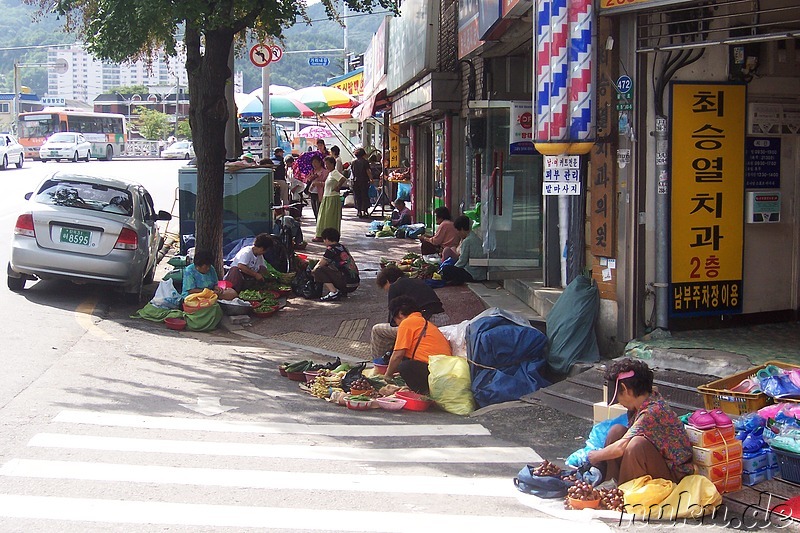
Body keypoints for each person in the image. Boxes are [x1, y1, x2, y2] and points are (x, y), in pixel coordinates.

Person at [587, 359, 694, 485]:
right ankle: (611, 484)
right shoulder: (639, 406)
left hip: (675, 475)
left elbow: (620, 448)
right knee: (617, 431)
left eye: (618, 397)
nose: (620, 402)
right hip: (657, 462)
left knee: (637, 445)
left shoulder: (653, 411)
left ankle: (623, 494)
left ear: (625, 389)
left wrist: (594, 456)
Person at [370, 265, 449, 361]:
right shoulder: (417, 282)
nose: (386, 291)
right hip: (443, 319)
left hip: (427, 324)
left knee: (378, 330)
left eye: (385, 288)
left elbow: (393, 321)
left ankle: (378, 364)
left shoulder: (394, 287)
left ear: (387, 281)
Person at [380, 296, 452, 394]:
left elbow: (397, 355)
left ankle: (424, 393)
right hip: (444, 370)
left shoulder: (407, 323)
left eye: (395, 320)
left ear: (400, 313)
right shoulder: (423, 322)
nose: (397, 324)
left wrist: (387, 376)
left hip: (435, 372)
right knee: (406, 364)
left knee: (405, 367)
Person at [312, 227, 360, 301]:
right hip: (355, 283)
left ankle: (333, 292)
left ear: (327, 239)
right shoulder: (342, 247)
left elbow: (319, 265)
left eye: (324, 240)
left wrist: (312, 272)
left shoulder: (331, 249)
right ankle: (342, 291)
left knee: (318, 270)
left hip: (346, 283)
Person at [440, 215, 487, 285]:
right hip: (480, 274)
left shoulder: (467, 241)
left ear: (462, 229)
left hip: (472, 274)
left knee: (446, 269)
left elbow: (462, 261)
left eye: (458, 232)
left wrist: (454, 269)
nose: (458, 235)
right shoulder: (475, 237)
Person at [315, 155, 347, 241]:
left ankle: (329, 237)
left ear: (333, 164)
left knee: (329, 219)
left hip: (332, 198)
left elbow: (343, 179)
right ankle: (322, 235)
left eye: (328, 164)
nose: (326, 166)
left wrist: (338, 187)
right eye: (325, 164)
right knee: (323, 218)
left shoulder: (334, 172)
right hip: (327, 197)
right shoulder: (330, 173)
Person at [305, 154, 328, 222]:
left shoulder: (325, 172)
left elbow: (327, 183)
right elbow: (307, 180)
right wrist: (311, 178)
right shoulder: (312, 172)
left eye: (315, 162)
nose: (314, 164)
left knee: (320, 210)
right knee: (315, 210)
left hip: (320, 193)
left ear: (320, 162)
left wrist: (318, 183)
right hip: (312, 193)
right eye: (313, 163)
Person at [350, 147, 371, 218]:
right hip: (364, 181)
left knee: (357, 196)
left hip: (355, 181)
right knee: (364, 196)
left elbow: (352, 172)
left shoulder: (353, 162)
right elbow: (368, 171)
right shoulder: (365, 162)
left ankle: (359, 211)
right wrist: (371, 179)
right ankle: (365, 211)